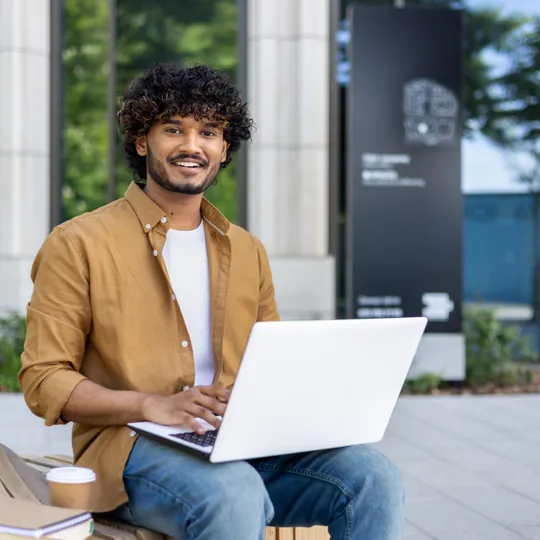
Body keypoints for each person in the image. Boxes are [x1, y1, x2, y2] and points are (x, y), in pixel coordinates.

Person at [19, 62, 404, 540]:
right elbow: (43, 379)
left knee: (373, 477)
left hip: (239, 442)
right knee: (233, 490)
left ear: (224, 149)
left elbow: (275, 366)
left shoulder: (247, 250)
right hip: (130, 449)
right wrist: (152, 405)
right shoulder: (78, 242)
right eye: (173, 129)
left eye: (208, 132)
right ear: (143, 142)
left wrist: (316, 408)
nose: (191, 145)